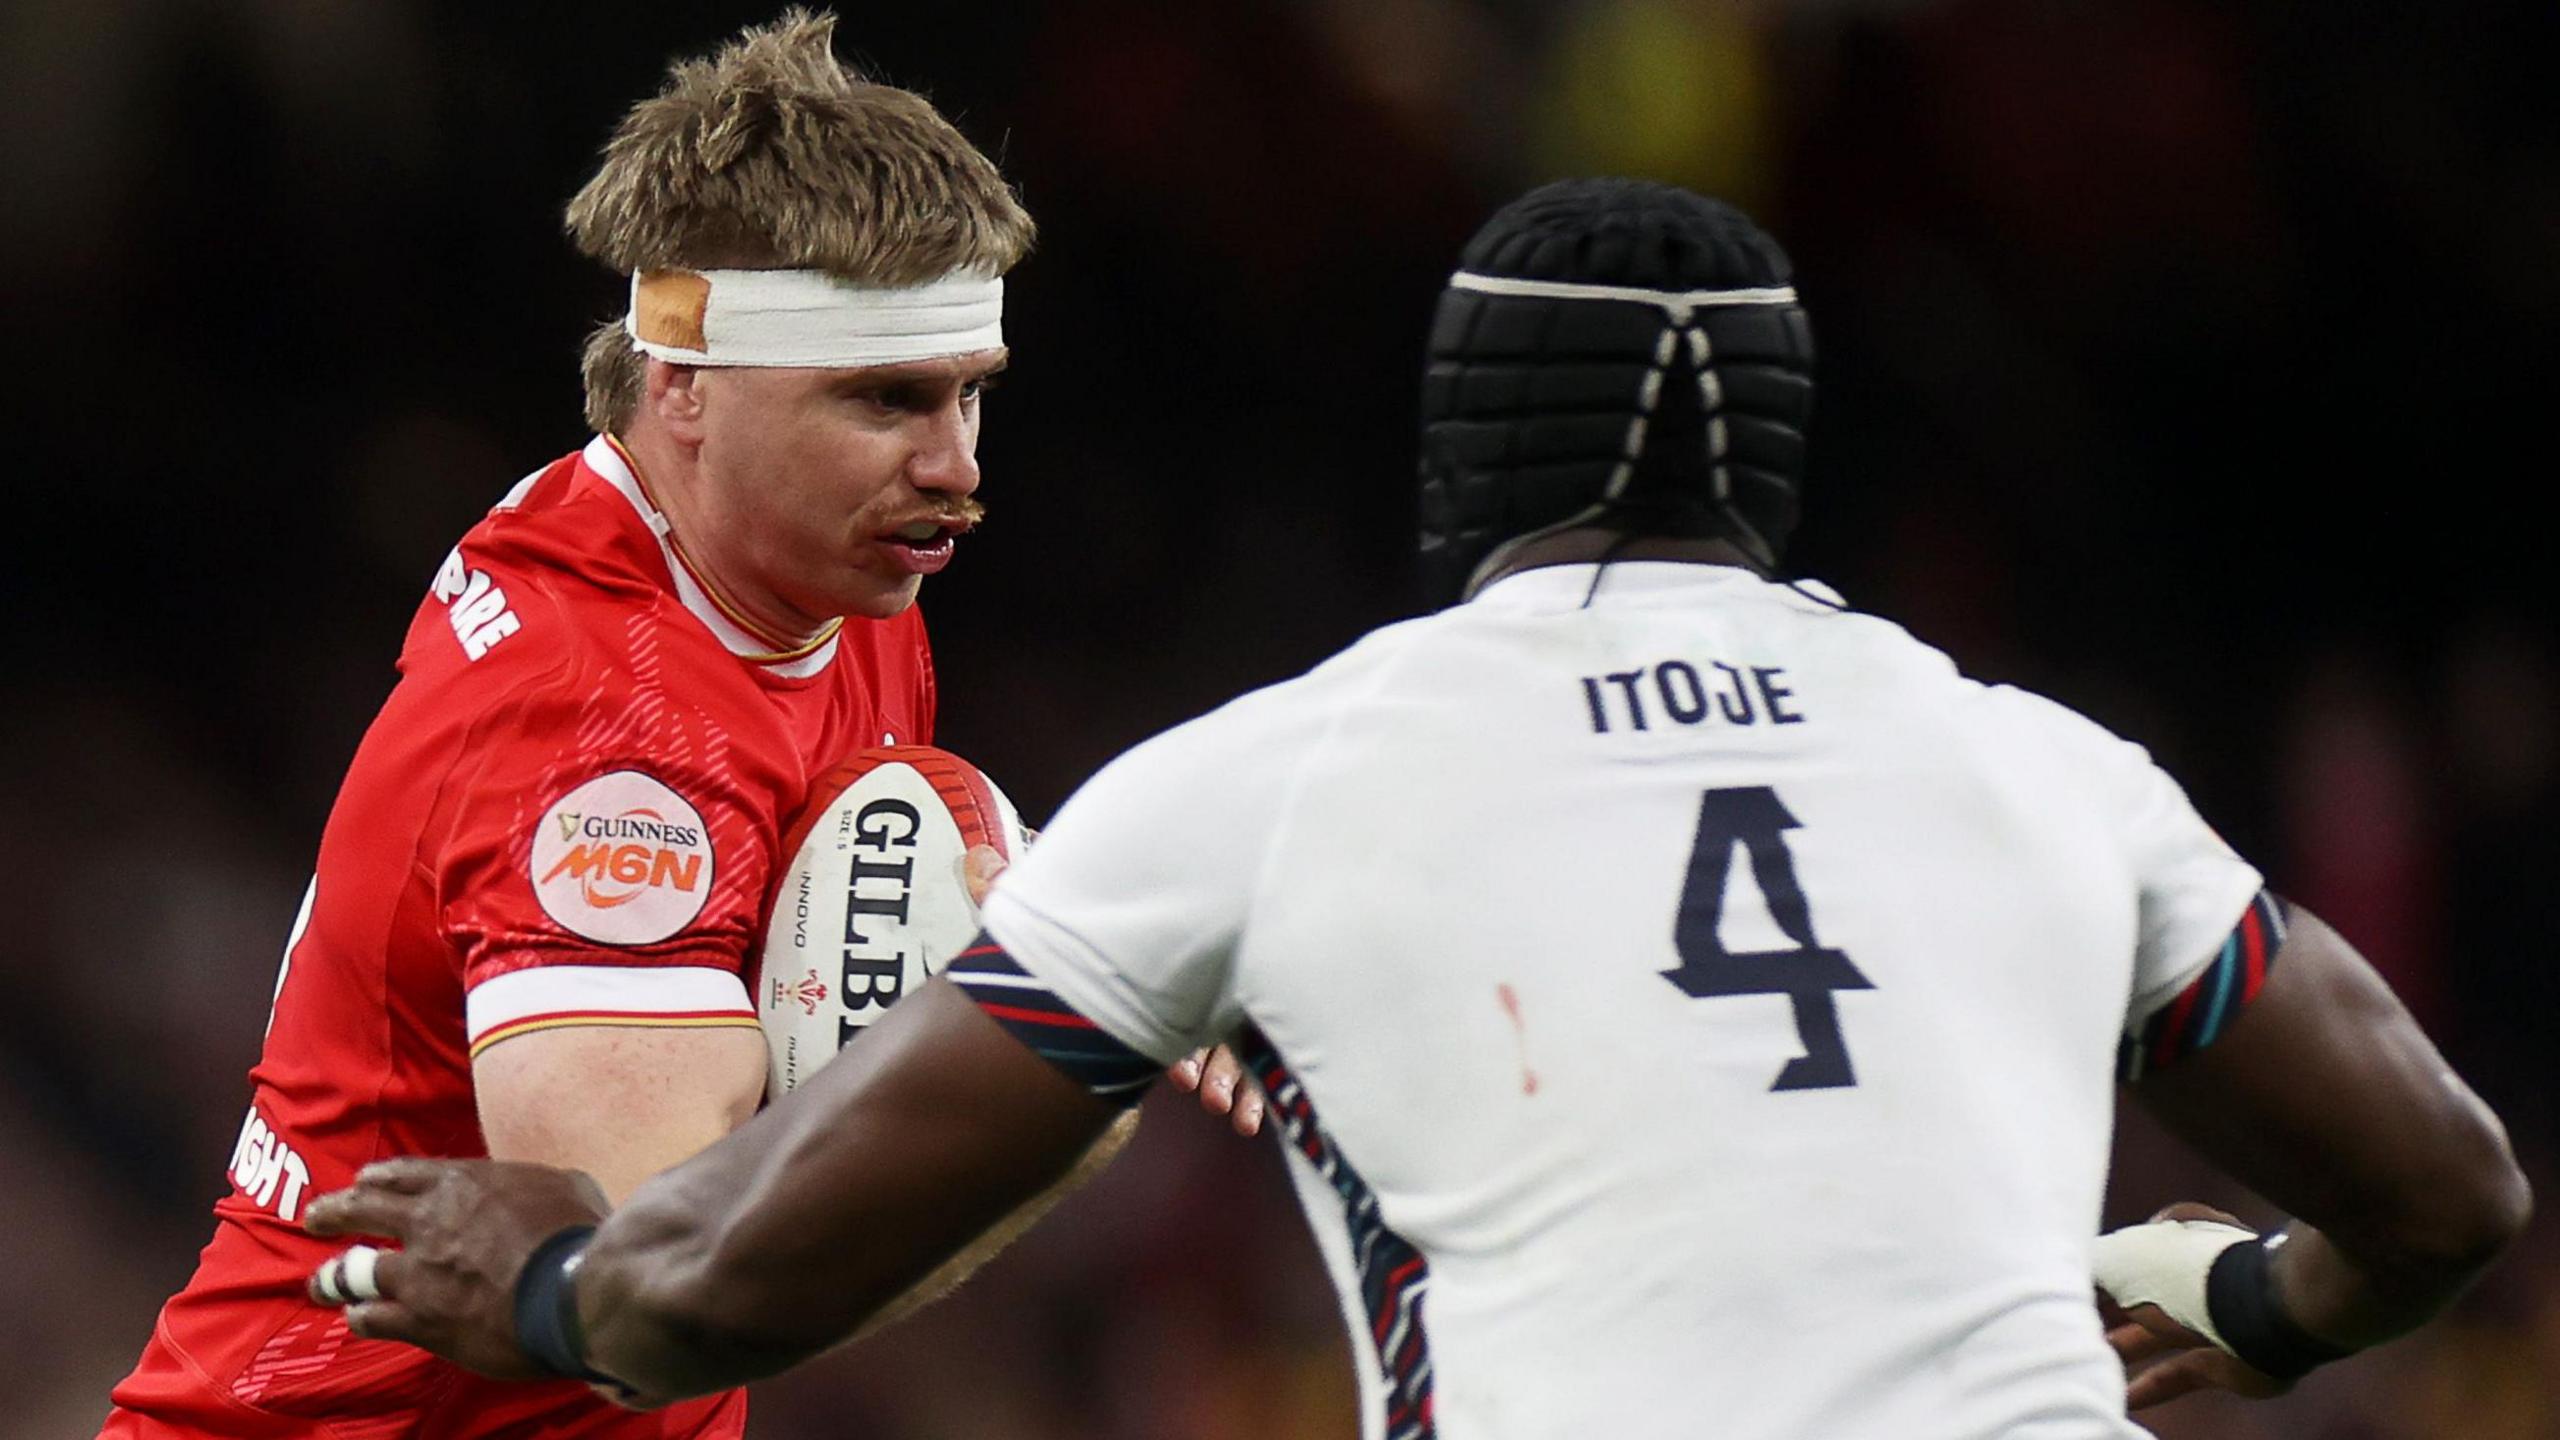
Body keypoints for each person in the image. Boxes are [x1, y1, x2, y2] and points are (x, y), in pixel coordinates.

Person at [294, 179, 2529, 1439]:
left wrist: (553, 1286)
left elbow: (733, 1283)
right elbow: (2445, 1192)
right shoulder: (2043, 765)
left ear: (1460, 445)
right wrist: (2257, 1304)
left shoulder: (1275, 781)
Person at [99, 12, 1103, 1437]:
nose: (955, 467)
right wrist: (1079, 1027)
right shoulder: (609, 747)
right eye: (886, 399)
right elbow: (669, 1297)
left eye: (969, 397)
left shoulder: (795, 575)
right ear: (684, 387)